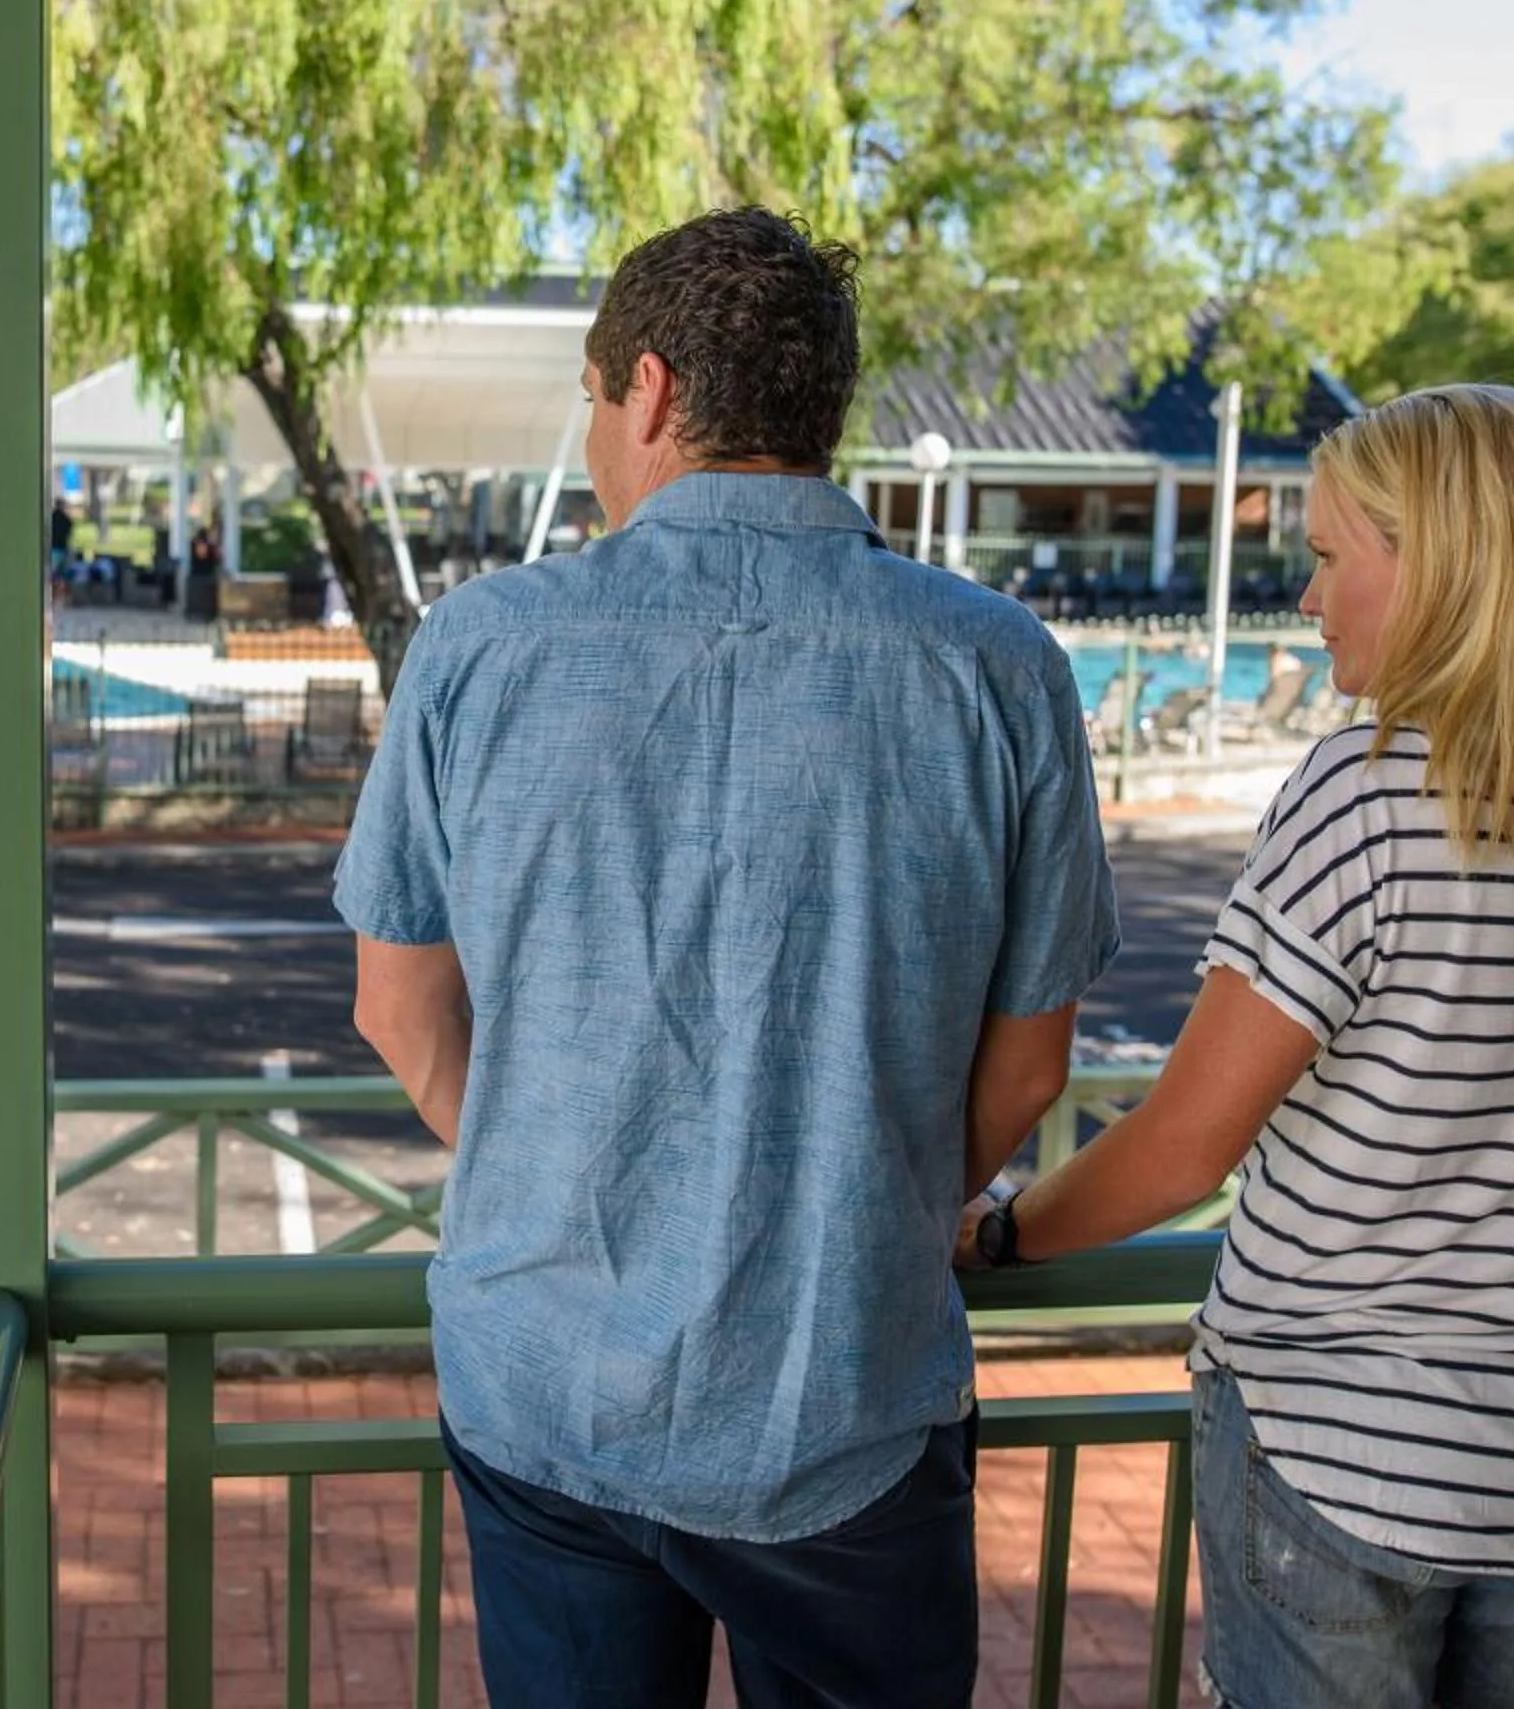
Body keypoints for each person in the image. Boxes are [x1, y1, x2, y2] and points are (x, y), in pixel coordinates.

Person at [958, 385, 1514, 1709]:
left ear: (1447, 571)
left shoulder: (1369, 796)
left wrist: (1001, 1234)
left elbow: (1185, 1149)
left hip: (1341, 1455)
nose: (1309, 600)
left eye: (1330, 557)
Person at [335, 207, 1119, 1707]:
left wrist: (561, 1171)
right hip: (847, 1394)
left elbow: (398, 1005)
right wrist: (862, 1197)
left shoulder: (478, 646)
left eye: (592, 400)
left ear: (646, 391)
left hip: (547, 1389)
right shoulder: (999, 663)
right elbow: (1031, 1066)